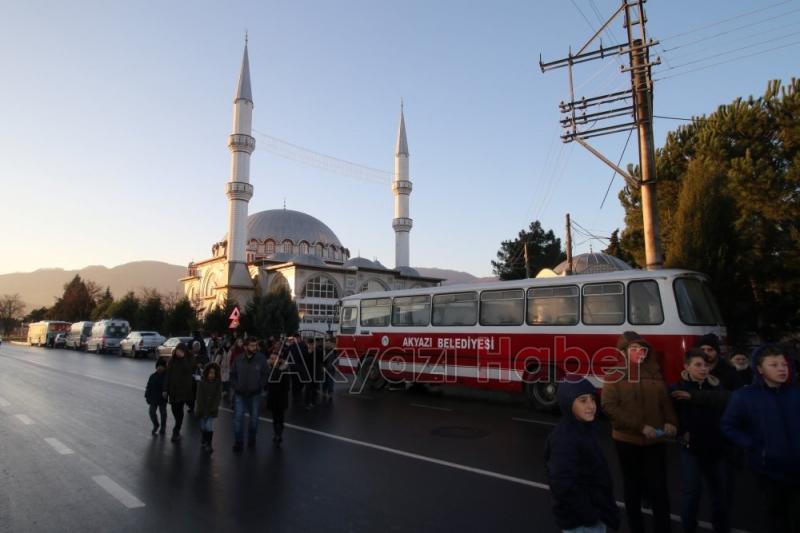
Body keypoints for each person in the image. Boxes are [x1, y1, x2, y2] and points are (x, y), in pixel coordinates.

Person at [601, 331, 678, 533]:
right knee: (632, 488)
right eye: (634, 349)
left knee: (659, 490)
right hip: (627, 441)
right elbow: (609, 407)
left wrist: (671, 421)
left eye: (642, 349)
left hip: (655, 442)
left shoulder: (654, 373)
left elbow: (665, 402)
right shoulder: (614, 375)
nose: (639, 353)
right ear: (624, 353)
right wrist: (640, 427)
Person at [721, 344, 800, 533]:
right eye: (774, 365)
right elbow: (728, 426)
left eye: (784, 364)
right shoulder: (744, 396)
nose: (782, 368)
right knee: (777, 519)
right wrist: (754, 446)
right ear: (759, 369)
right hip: (770, 470)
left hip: (798, 467)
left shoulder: (796, 393)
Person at [545, 376, 620, 533]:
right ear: (567, 402)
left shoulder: (584, 429)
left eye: (592, 399)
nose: (591, 405)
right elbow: (562, 485)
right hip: (583, 523)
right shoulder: (564, 438)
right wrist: (591, 515)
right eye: (582, 400)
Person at [669, 349, 730, 533]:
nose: (703, 369)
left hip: (716, 449)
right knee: (691, 494)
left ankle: (721, 528)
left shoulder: (716, 387)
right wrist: (681, 432)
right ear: (686, 366)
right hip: (691, 449)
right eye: (698, 365)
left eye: (706, 365)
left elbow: (727, 401)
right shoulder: (677, 388)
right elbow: (670, 416)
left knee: (719, 494)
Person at [231, 337, 268, 452]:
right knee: (238, 419)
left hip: (255, 394)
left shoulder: (261, 358)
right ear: (245, 347)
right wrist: (236, 387)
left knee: (254, 419)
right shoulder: (238, 359)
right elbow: (233, 374)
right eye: (252, 345)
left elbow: (265, 374)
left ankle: (252, 439)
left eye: (255, 345)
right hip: (240, 394)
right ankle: (238, 442)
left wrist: (260, 386)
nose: (254, 348)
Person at [163, 342, 195, 442]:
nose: (178, 353)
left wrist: (183, 358)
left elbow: (189, 370)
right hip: (173, 391)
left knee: (180, 411)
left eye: (180, 351)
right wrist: (165, 389)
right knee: (174, 409)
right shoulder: (172, 361)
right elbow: (167, 375)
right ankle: (177, 425)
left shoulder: (189, 359)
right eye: (177, 351)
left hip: (183, 391)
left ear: (184, 351)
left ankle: (176, 431)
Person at [195, 362, 223, 453]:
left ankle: (209, 444)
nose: (212, 375)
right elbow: (199, 397)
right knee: (203, 426)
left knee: (208, 426)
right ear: (207, 372)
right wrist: (200, 409)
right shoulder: (202, 383)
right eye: (210, 372)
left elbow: (218, 397)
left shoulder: (218, 384)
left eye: (214, 373)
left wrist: (214, 408)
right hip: (202, 409)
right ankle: (204, 438)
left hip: (211, 410)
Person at [266, 347, 290, 444]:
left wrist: (278, 371)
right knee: (274, 417)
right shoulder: (269, 368)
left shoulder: (283, 370)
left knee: (280, 416)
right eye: (271, 358)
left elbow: (286, 385)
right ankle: (276, 432)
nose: (272, 360)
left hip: (281, 397)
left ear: (279, 360)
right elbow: (267, 382)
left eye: (274, 358)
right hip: (272, 396)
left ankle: (279, 434)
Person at [145, 358, 169, 436]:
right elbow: (148, 387)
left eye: (162, 366)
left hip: (162, 399)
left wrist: (166, 392)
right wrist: (147, 396)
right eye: (158, 366)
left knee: (163, 414)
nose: (160, 368)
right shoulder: (152, 376)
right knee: (151, 412)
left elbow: (168, 387)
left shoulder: (167, 377)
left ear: (165, 367)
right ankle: (156, 425)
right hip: (153, 398)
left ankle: (163, 427)